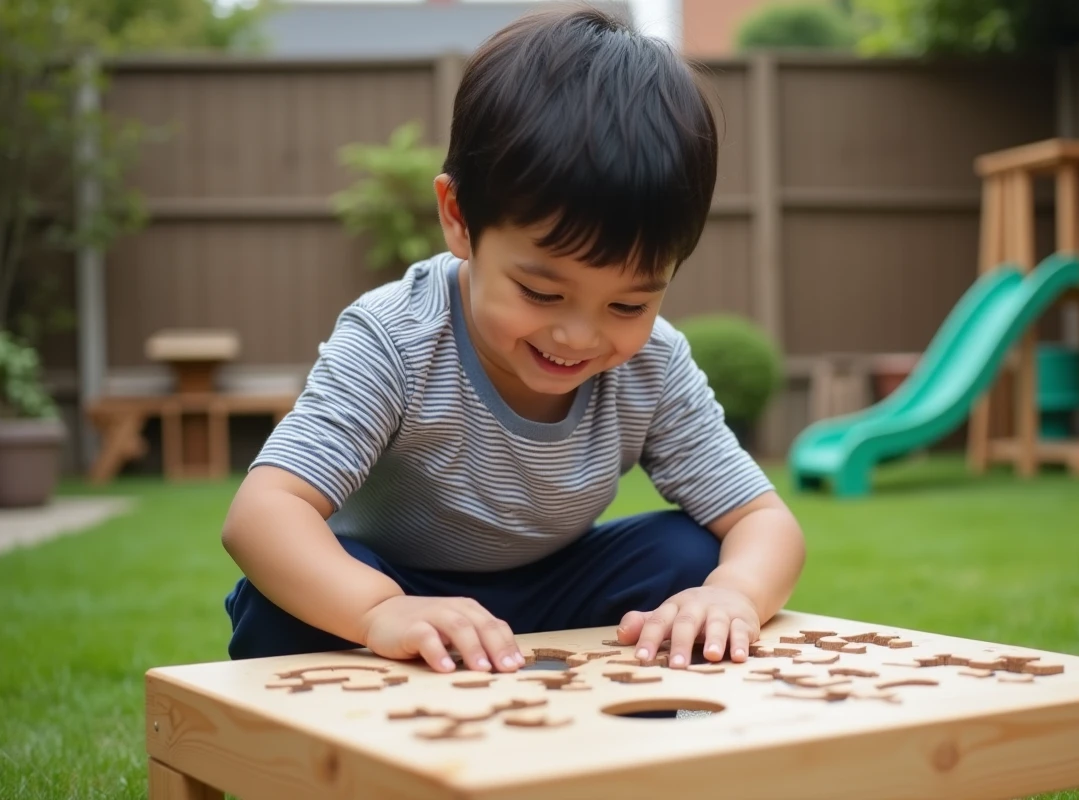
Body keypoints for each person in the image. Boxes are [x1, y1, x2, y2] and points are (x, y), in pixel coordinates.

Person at [220, 4, 806, 674]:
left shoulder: (653, 363)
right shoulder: (396, 336)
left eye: (628, 302)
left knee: (691, 558)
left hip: (558, 590)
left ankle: (623, 749)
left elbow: (766, 522)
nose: (578, 334)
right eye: (542, 293)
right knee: (283, 601)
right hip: (397, 586)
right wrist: (379, 609)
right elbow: (262, 514)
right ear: (459, 219)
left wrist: (733, 594)